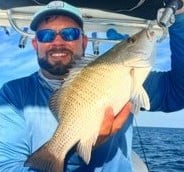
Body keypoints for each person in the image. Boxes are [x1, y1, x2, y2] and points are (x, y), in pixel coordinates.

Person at [0, 1, 184, 172]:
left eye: (69, 33)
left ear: (84, 41)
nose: (58, 42)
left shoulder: (122, 73)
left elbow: (178, 93)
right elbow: (7, 166)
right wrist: (74, 154)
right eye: (46, 35)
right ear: (35, 44)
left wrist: (181, 19)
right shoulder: (13, 94)